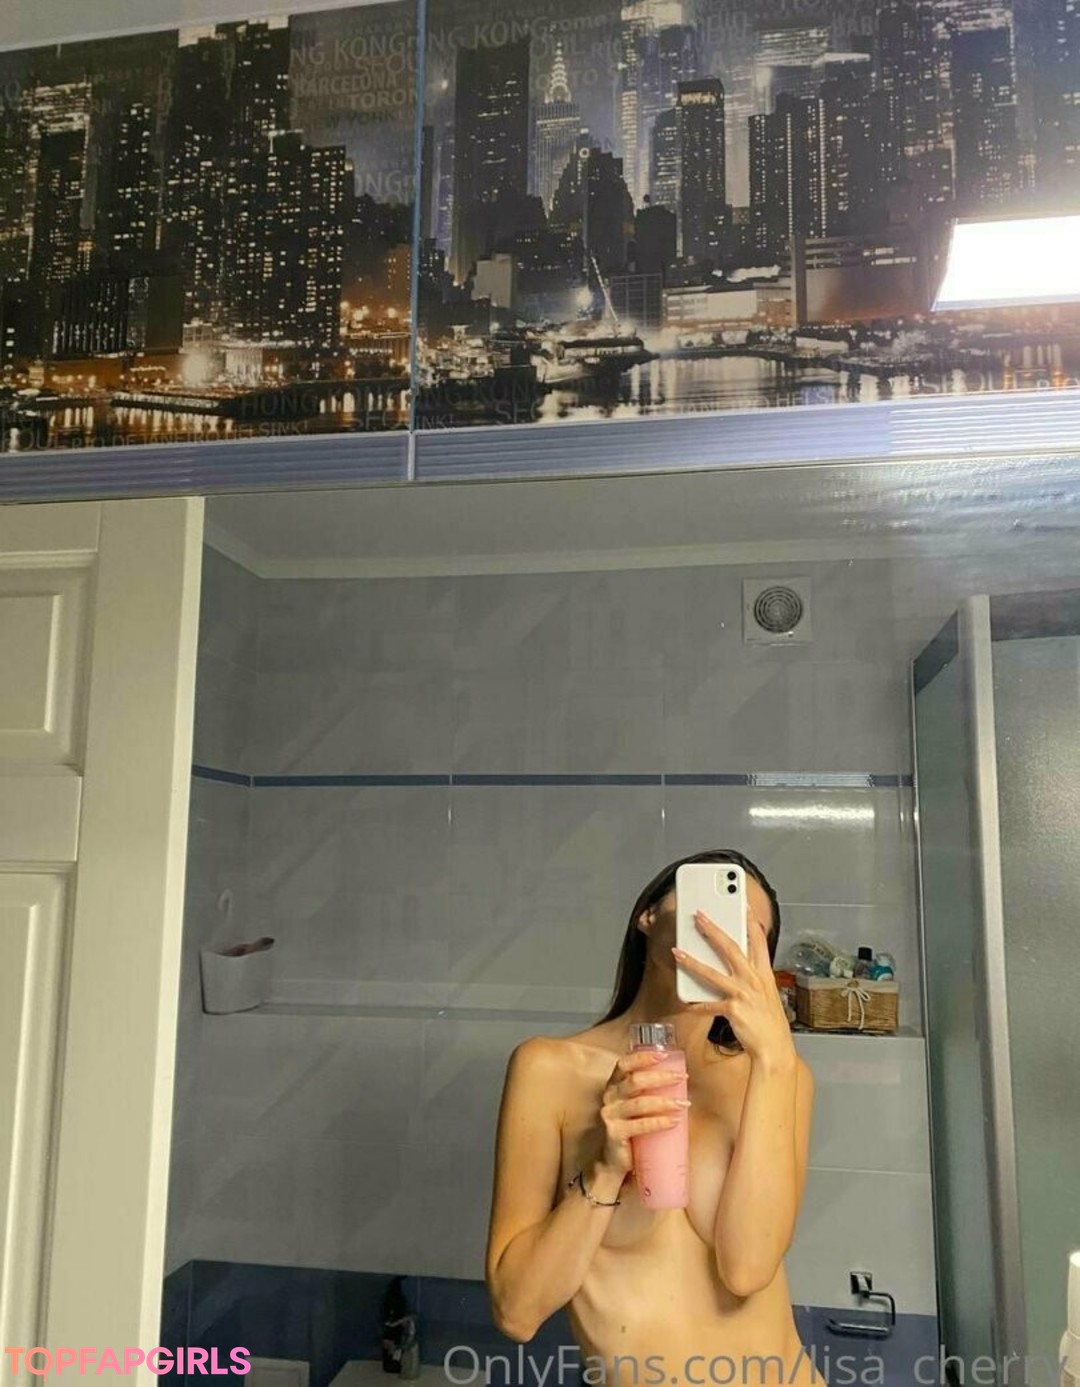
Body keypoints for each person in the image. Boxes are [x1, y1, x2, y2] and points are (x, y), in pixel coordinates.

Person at [485, 849, 824, 1387]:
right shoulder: (547, 1070)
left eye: (743, 932)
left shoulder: (780, 1076)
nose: (716, 935)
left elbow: (748, 1268)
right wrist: (605, 1168)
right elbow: (516, 1312)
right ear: (647, 916)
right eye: (703, 911)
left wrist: (776, 1058)